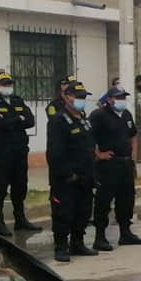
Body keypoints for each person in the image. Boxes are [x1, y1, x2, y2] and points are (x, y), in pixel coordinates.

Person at [46, 81, 102, 261]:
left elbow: (89, 147)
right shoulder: (59, 120)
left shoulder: (83, 119)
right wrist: (68, 173)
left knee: (83, 211)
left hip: (85, 176)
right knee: (63, 213)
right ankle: (61, 247)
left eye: (84, 97)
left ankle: (77, 243)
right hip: (66, 178)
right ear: (66, 96)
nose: (81, 100)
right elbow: (55, 152)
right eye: (77, 97)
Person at [89, 88, 141, 250]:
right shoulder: (99, 115)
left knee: (127, 199)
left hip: (125, 163)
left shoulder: (127, 115)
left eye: (123, 97)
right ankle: (100, 237)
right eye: (118, 97)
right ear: (109, 99)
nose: (122, 100)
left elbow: (133, 136)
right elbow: (88, 136)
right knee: (104, 201)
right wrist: (98, 154)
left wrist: (133, 156)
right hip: (108, 165)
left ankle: (125, 233)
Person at [0, 72, 41, 235]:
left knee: (20, 185)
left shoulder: (17, 100)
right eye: (4, 84)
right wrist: (17, 119)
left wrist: (12, 120)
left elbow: (30, 120)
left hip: (20, 150)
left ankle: (20, 218)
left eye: (9, 84)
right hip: (2, 150)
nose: (7, 87)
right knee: (0, 187)